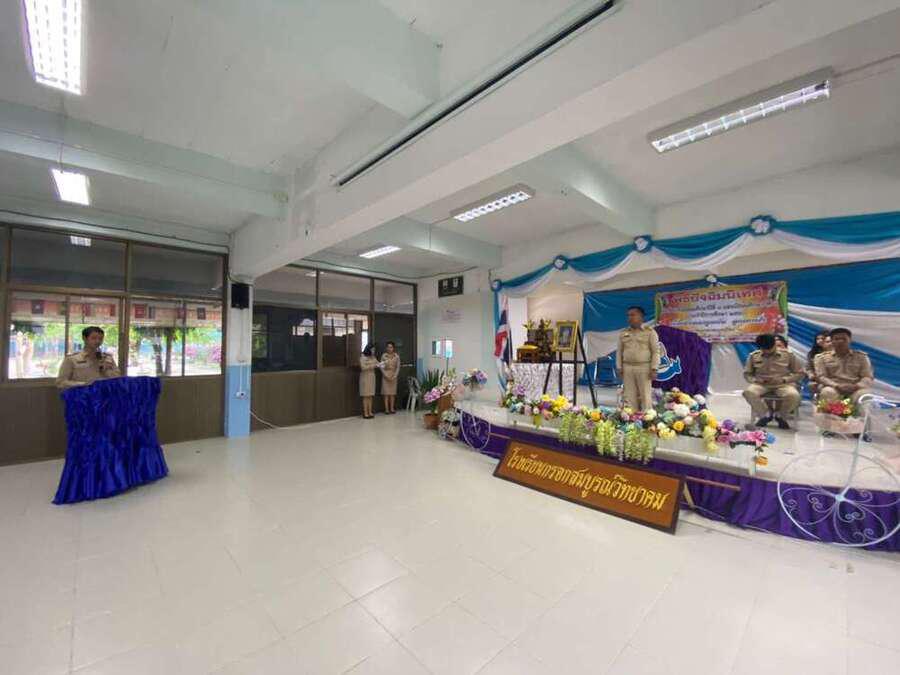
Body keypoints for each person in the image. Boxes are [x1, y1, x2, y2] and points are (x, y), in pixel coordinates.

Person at [743, 333, 804, 429]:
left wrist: (784, 379)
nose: (767, 351)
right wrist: (755, 379)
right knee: (748, 392)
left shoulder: (788, 355)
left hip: (783, 384)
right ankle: (766, 415)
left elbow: (800, 373)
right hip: (761, 384)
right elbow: (747, 374)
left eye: (769, 349)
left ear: (774, 345)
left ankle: (780, 416)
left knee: (794, 395)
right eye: (764, 349)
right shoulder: (754, 356)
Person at [616, 306, 660, 411]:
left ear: (641, 317)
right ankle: (632, 418)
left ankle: (647, 418)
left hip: (644, 367)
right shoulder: (623, 333)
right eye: (628, 315)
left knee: (645, 396)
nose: (629, 318)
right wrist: (619, 367)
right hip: (627, 368)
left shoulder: (650, 332)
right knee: (629, 396)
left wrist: (654, 368)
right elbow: (619, 352)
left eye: (633, 315)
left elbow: (655, 351)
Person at [815, 328, 873, 405]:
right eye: (837, 339)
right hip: (833, 387)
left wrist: (856, 386)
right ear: (832, 341)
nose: (840, 341)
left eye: (844, 339)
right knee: (827, 392)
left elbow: (867, 376)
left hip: (855, 388)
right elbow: (821, 377)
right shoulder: (821, 358)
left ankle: (861, 413)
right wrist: (836, 386)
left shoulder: (861, 357)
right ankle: (833, 413)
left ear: (850, 340)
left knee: (864, 395)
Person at [56, 326, 121, 390]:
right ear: (84, 338)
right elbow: (61, 383)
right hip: (82, 395)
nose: (97, 341)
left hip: (103, 395)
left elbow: (118, 381)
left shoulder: (108, 359)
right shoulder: (72, 359)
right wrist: (84, 385)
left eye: (100, 338)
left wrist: (107, 369)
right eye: (94, 338)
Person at [806, 330, 832, 394]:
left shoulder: (835, 352)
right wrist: (810, 374)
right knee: (812, 385)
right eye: (817, 339)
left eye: (822, 338)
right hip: (817, 378)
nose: (820, 341)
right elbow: (808, 368)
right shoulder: (812, 353)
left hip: (832, 378)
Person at [359, 343, 379, 419]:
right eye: (372, 349)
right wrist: (373, 366)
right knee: (366, 396)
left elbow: (378, 364)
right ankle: (365, 413)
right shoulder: (363, 357)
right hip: (365, 377)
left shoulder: (373, 357)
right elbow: (363, 367)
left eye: (374, 350)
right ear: (368, 349)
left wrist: (382, 364)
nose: (373, 351)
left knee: (370, 396)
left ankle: (370, 412)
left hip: (372, 377)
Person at [380, 341, 400, 414]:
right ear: (386, 348)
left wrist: (395, 375)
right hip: (385, 375)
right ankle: (386, 409)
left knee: (392, 393)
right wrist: (385, 375)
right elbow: (381, 367)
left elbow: (398, 367)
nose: (389, 348)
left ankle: (392, 408)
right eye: (388, 347)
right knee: (386, 393)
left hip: (393, 376)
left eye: (391, 347)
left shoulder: (396, 356)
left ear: (393, 348)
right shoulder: (384, 356)